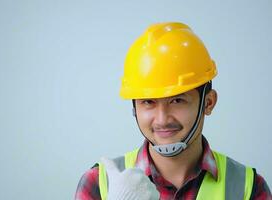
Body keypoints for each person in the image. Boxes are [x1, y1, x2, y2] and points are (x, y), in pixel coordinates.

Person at [75, 22, 271, 200]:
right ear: (134, 107)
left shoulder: (248, 188)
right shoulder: (98, 184)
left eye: (177, 100)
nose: (162, 119)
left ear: (208, 103)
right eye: (148, 102)